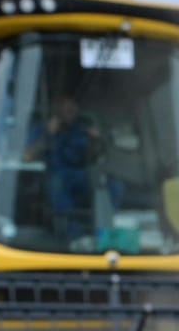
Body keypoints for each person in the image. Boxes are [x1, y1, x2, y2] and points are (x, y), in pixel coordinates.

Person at [24, 92, 119, 242]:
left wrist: (96, 142)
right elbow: (28, 156)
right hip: (54, 178)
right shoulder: (41, 129)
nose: (72, 110)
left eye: (74, 107)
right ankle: (75, 236)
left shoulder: (81, 130)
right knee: (58, 183)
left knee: (113, 185)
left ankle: (109, 232)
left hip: (80, 177)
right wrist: (48, 135)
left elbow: (94, 158)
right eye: (67, 107)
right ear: (57, 109)